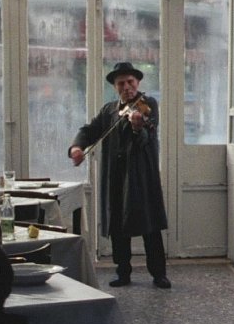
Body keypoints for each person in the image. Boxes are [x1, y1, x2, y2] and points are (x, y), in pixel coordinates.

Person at [69, 62, 171, 289]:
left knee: (150, 226)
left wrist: (137, 127)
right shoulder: (109, 110)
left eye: (130, 82)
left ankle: (159, 273)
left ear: (138, 82)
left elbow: (145, 138)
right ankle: (123, 272)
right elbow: (89, 130)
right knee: (117, 225)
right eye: (121, 83)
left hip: (141, 176)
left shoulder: (148, 105)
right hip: (115, 176)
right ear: (115, 87)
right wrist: (77, 147)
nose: (126, 87)